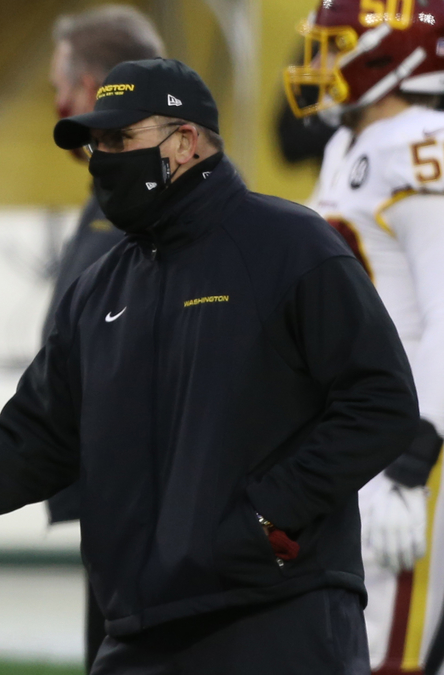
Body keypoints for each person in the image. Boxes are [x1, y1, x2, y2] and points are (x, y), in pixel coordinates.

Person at [0, 57, 421, 674]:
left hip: (278, 615)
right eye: (96, 144)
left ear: (186, 141)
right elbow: (34, 439)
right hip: (139, 628)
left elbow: (381, 401)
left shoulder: (290, 246)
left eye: (120, 140)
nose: (102, 159)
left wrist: (267, 513)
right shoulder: (101, 288)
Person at [285, 3, 444, 672]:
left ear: (392, 53)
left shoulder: (418, 143)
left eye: (334, 47)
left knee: (390, 654)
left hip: (415, 443)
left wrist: (415, 458)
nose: (316, 65)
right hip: (365, 432)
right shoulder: (348, 143)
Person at [39, 7, 164, 670]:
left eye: (62, 84)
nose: (56, 103)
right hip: (114, 486)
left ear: (90, 89)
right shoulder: (112, 193)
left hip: (145, 493)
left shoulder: (152, 199)